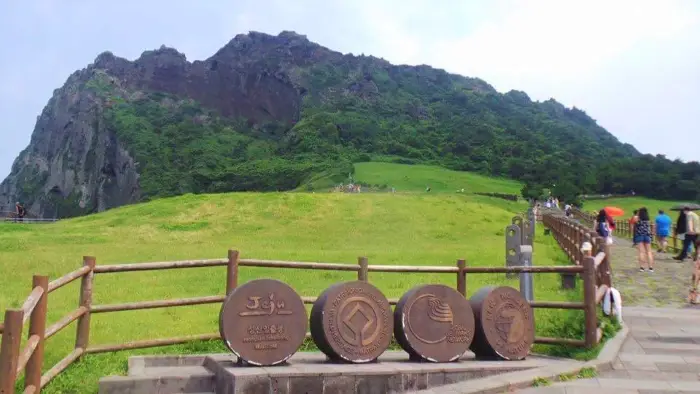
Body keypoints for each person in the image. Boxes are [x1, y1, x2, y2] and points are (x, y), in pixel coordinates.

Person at [635, 207, 654, 273]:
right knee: (649, 252)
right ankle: (651, 267)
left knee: (641, 252)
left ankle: (642, 267)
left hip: (640, 235)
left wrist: (637, 214)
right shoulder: (648, 220)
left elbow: (634, 222)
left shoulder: (637, 218)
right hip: (647, 235)